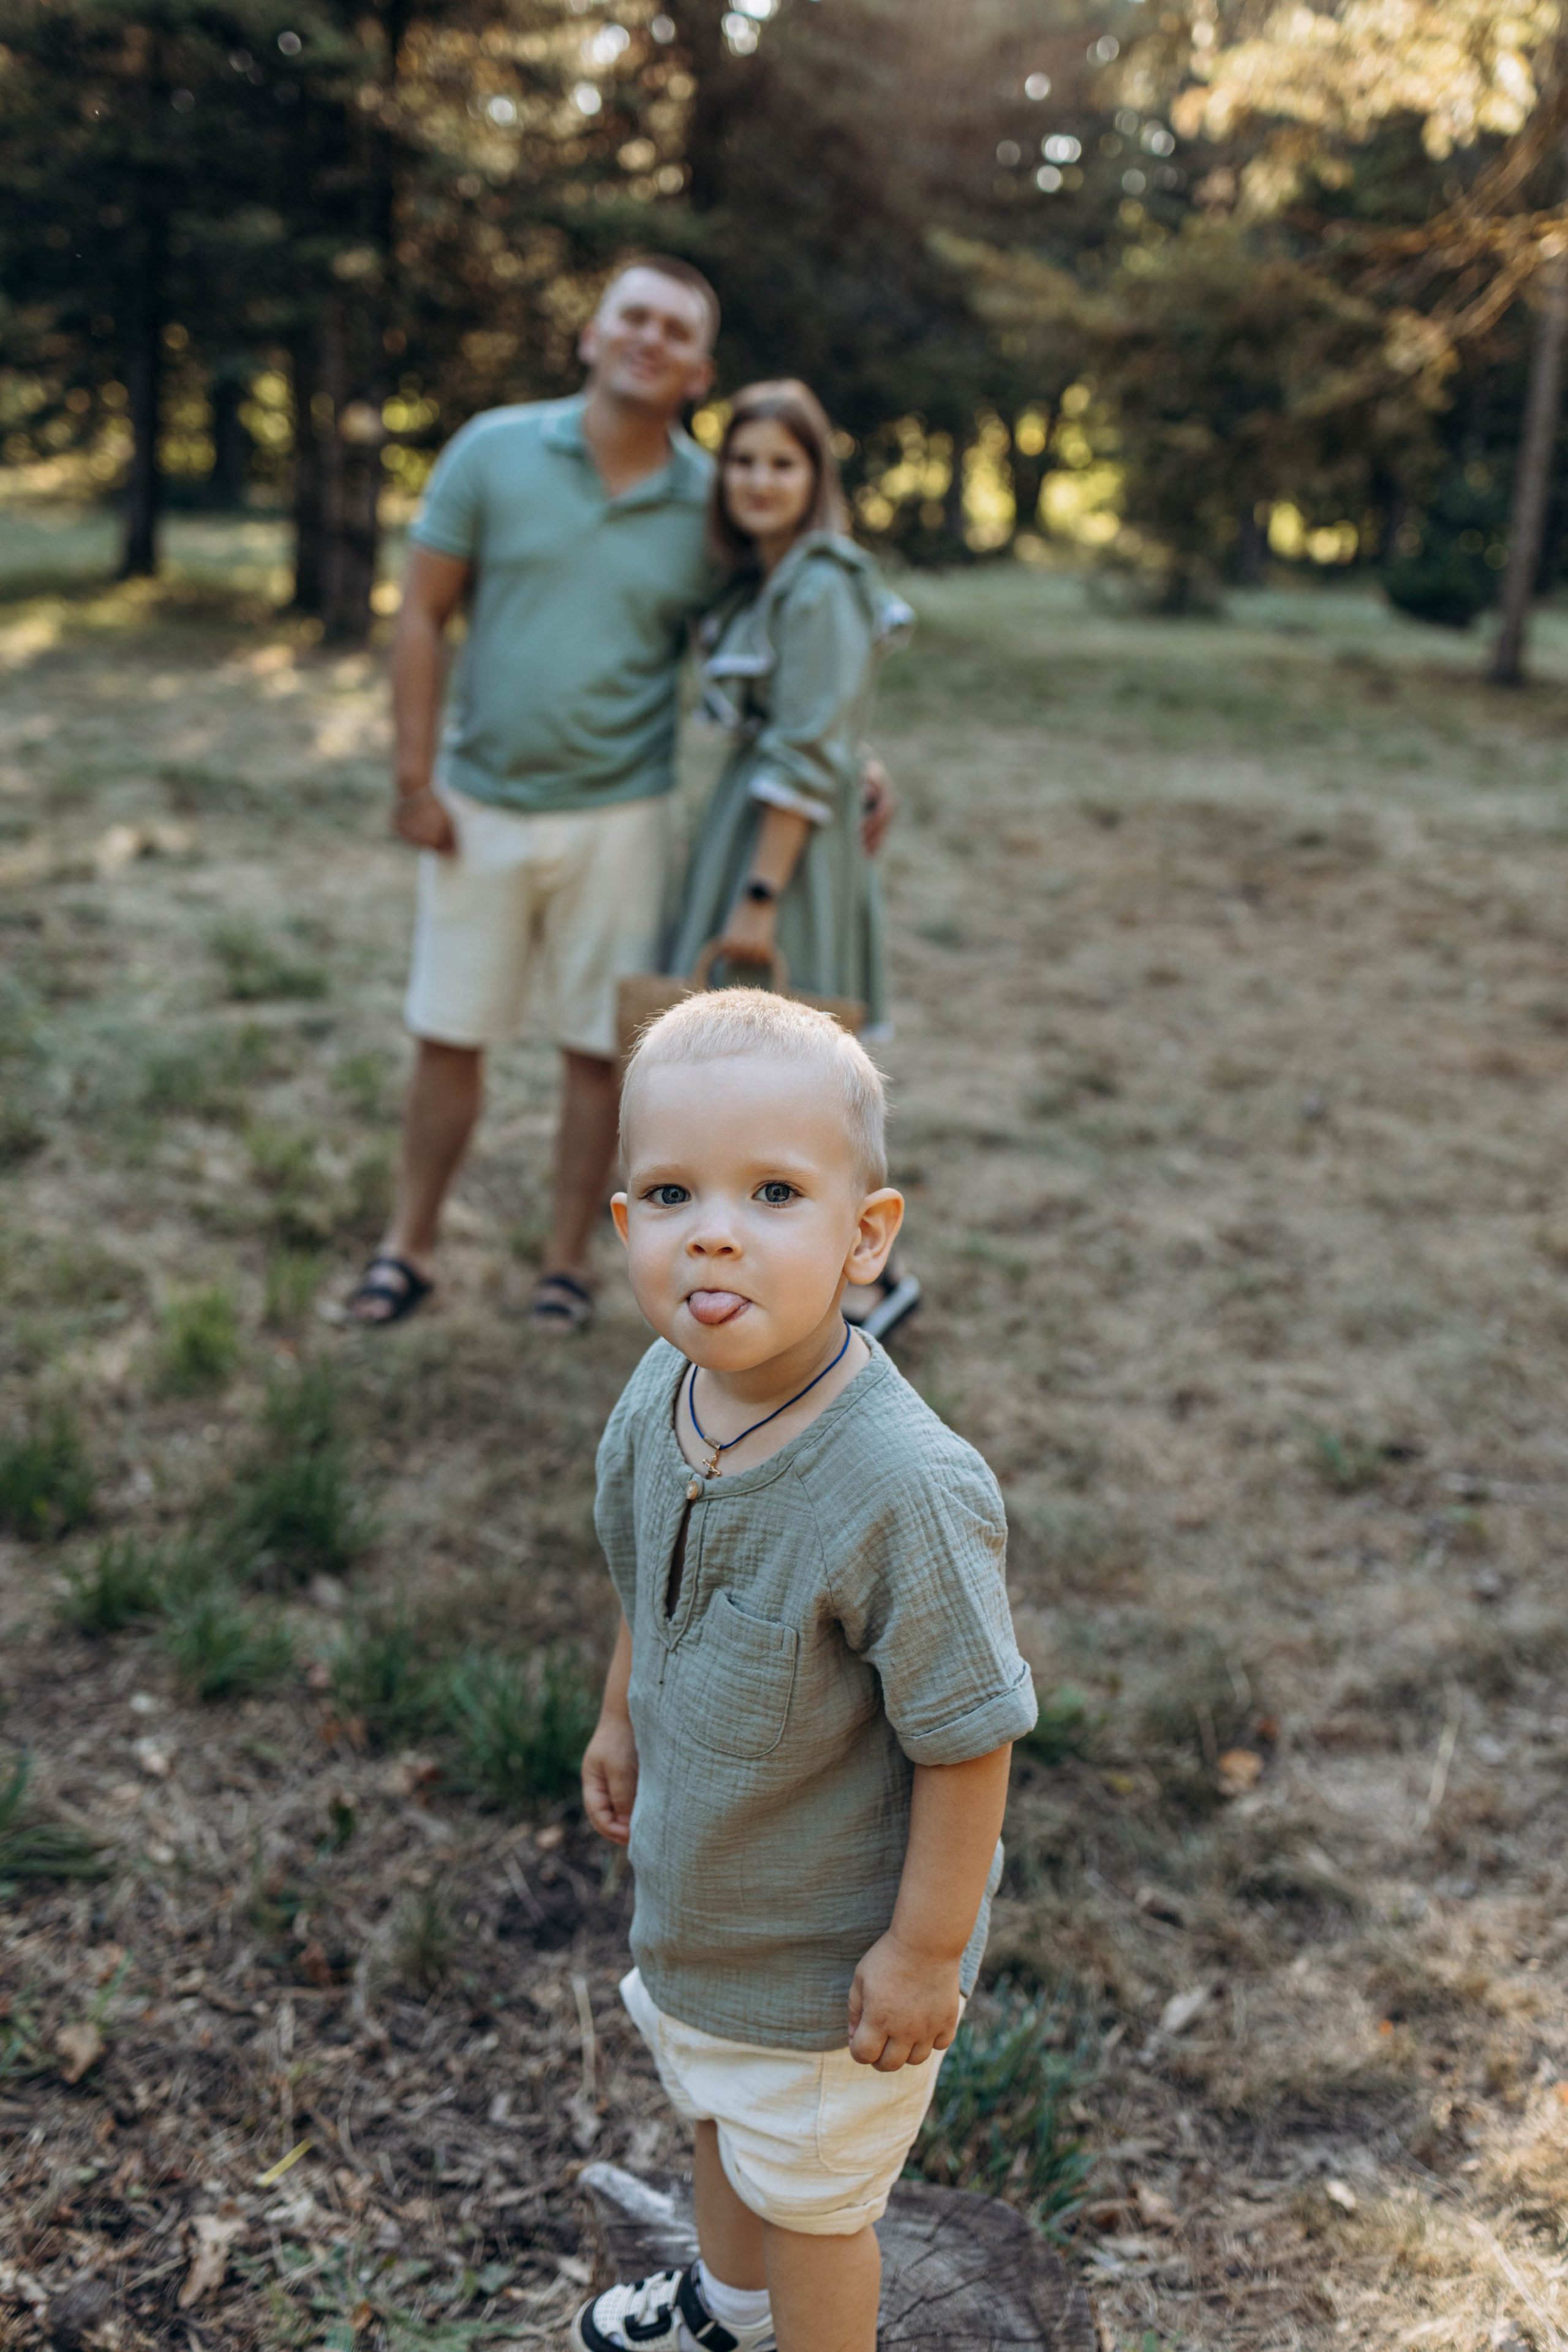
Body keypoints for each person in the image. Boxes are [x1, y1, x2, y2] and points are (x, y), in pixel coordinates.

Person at [573, 989, 1038, 2352]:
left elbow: (967, 1737)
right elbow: (637, 1575)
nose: (711, 1228)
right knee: (721, 2123)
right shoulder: (658, 1396)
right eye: (670, 1192)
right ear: (624, 1229)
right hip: (706, 1903)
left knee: (817, 2204)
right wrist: (619, 1714)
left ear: (863, 1237)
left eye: (772, 1191)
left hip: (837, 1963)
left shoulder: (902, 1489)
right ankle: (725, 2312)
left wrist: (921, 1952)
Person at [346, 255, 720, 1334]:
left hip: (624, 815)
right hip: (479, 806)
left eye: (676, 332)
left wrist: (859, 762)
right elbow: (420, 615)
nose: (650, 339)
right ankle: (408, 1247)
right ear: (592, 336)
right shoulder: (492, 451)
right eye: (633, 317)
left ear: (698, 374)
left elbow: (774, 654)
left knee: (602, 1056)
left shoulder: (712, 504)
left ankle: (566, 1264)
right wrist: (413, 780)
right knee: (447, 1032)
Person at [668, 380, 919, 1340]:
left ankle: (863, 1286)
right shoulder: (768, 579)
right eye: (742, 460)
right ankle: (788, 1274)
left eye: (783, 462)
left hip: (787, 853)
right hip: (755, 825)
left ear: (816, 476)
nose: (758, 480)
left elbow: (809, 748)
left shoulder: (820, 581)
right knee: (753, 1081)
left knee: (796, 1078)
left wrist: (761, 895)